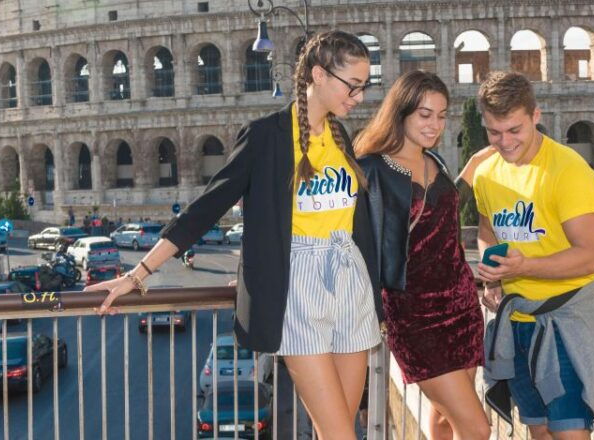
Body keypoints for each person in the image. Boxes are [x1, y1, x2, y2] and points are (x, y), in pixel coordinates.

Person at [86, 31, 382, 439]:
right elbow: (206, 208)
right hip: (293, 288)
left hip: (350, 283)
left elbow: (358, 224)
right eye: (353, 86)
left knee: (337, 429)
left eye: (364, 87)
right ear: (318, 74)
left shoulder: (340, 136)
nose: (360, 97)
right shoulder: (265, 137)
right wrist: (137, 274)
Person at [474, 71, 594, 440]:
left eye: (514, 130)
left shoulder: (569, 170)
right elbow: (487, 235)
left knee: (571, 434)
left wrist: (524, 266)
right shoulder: (486, 174)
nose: (504, 142)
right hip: (515, 324)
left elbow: (588, 258)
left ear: (536, 116)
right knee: (538, 432)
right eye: (494, 132)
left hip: (565, 323)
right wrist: (494, 272)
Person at [354, 70, 490, 440]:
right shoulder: (371, 168)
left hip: (461, 305)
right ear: (402, 112)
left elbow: (439, 214)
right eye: (425, 115)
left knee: (446, 419)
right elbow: (346, 236)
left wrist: (471, 170)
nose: (435, 124)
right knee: (477, 428)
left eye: (442, 115)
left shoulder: (436, 161)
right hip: (414, 314)